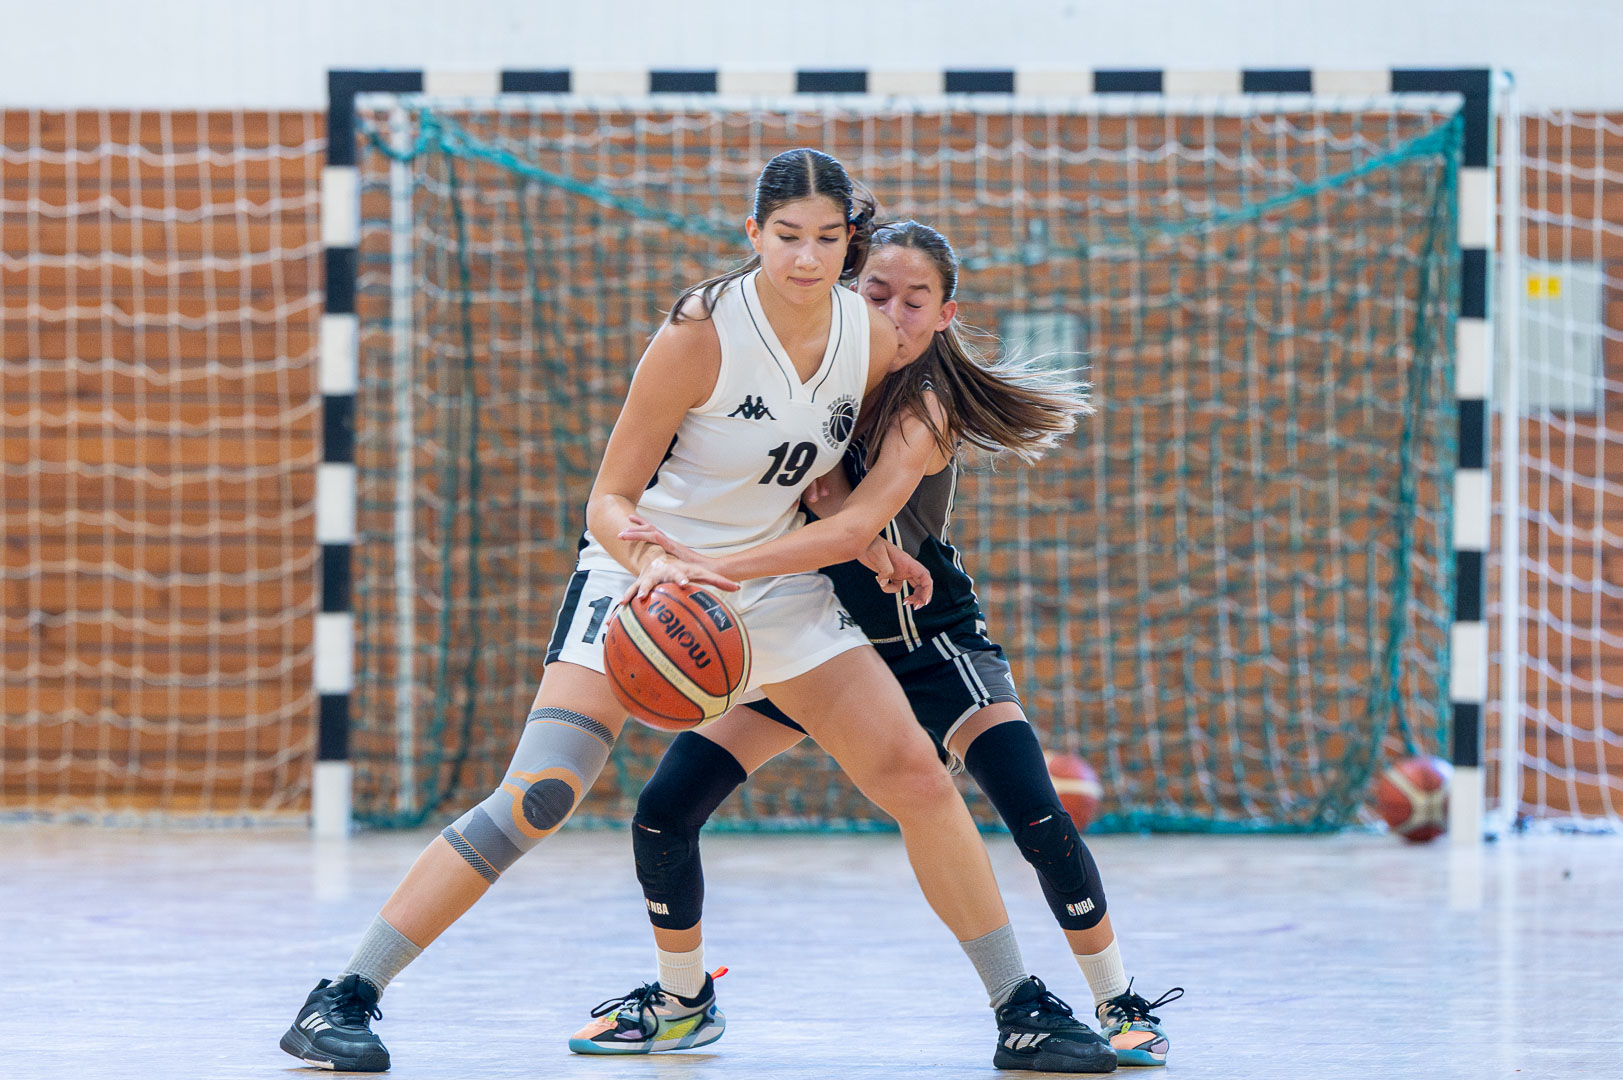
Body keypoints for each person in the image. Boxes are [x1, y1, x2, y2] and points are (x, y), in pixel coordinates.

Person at [280, 151, 1107, 1074]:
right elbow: (607, 499)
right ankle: (345, 993)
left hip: (772, 584)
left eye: (825, 239)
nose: (805, 258)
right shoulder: (699, 333)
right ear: (752, 234)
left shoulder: (871, 337)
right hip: (649, 577)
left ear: (849, 244)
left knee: (916, 776)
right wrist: (658, 565)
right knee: (539, 795)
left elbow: (823, 473)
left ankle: (1018, 1006)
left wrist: (869, 540)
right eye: (786, 236)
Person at [577, 221, 1181, 1069]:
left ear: (945, 315)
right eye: (876, 293)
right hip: (819, 640)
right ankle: (683, 1003)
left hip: (925, 638)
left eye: (914, 300)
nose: (893, 313)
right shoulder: (816, 374)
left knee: (1037, 816)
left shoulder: (925, 402)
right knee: (663, 812)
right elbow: (811, 499)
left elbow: (847, 523)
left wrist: (704, 569)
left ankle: (1117, 1000)